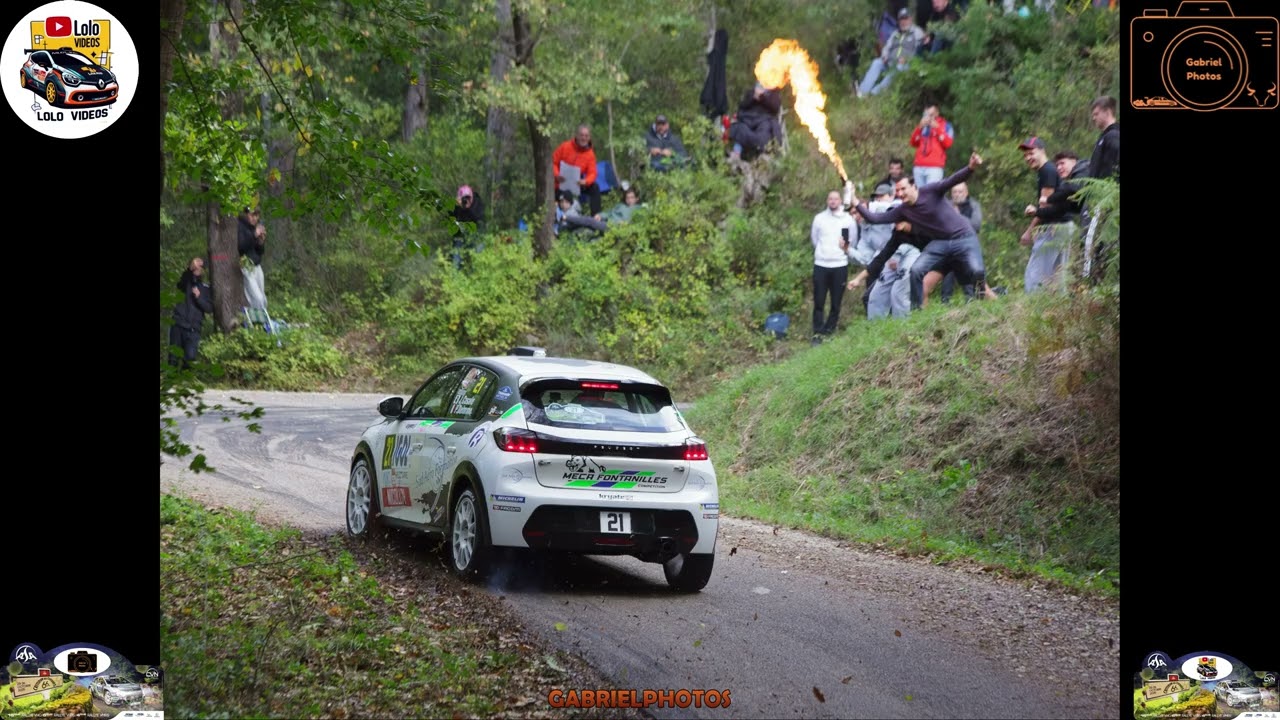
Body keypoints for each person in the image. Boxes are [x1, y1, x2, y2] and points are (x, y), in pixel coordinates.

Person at [851, 151, 988, 310]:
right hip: (942, 244)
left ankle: (983, 304)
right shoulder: (902, 211)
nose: (900, 194)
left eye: (903, 189)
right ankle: (918, 311)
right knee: (916, 270)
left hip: (964, 237)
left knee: (977, 272)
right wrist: (854, 200)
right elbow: (875, 218)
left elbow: (953, 180)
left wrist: (970, 167)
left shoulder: (930, 191)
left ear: (914, 186)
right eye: (898, 191)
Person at [1017, 136, 1071, 292]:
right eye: (1025, 155)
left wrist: (1029, 232)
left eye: (1031, 153)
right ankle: (1058, 307)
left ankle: (1031, 306)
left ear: (1042, 151)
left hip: (1054, 228)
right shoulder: (1047, 171)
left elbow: (1045, 205)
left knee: (1034, 276)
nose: (1028, 158)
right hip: (1063, 226)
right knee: (1057, 279)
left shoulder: (1047, 170)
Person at [810, 189, 857, 345]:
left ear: (840, 201)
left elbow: (852, 241)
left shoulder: (848, 219)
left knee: (836, 302)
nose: (833, 201)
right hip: (821, 264)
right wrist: (822, 252)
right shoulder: (819, 219)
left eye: (836, 199)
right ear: (827, 201)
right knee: (819, 301)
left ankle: (829, 331)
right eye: (830, 199)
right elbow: (815, 239)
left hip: (839, 265)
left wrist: (842, 252)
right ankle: (817, 333)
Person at [857, 8, 926, 97]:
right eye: (901, 19)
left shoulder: (917, 32)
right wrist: (884, 56)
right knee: (877, 62)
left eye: (905, 18)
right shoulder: (895, 33)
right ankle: (862, 92)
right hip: (890, 61)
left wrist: (908, 59)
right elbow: (887, 47)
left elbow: (919, 51)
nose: (903, 21)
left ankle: (874, 94)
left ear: (910, 19)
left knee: (897, 68)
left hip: (905, 64)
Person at [168, 257, 213, 370]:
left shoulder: (207, 289)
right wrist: (190, 268)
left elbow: (209, 308)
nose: (198, 269)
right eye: (196, 268)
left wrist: (198, 297)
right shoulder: (186, 282)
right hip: (178, 324)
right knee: (173, 358)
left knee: (190, 358)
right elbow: (182, 281)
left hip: (194, 328)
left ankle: (184, 378)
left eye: (200, 268)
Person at [552, 124, 603, 218]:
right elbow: (553, 162)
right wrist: (556, 175)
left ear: (589, 137)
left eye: (586, 136)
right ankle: (554, 217)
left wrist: (586, 181)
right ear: (576, 135)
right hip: (561, 182)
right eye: (581, 135)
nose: (584, 138)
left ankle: (596, 216)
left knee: (595, 187)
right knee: (550, 190)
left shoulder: (590, 154)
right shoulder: (565, 146)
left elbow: (592, 173)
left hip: (577, 184)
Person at [728, 82, 784, 161]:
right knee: (741, 127)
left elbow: (775, 108)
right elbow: (743, 105)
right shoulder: (754, 89)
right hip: (748, 117)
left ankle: (763, 157)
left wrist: (762, 97)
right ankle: (736, 153)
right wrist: (753, 96)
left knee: (765, 130)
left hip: (764, 119)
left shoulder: (774, 92)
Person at [909, 105, 953, 186]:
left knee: (931, 192)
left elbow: (948, 144)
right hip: (919, 166)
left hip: (935, 167)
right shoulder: (922, 126)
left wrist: (937, 128)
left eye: (931, 114)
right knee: (920, 193)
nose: (928, 117)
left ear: (937, 113)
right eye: (926, 114)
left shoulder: (946, 125)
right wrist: (919, 128)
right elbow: (913, 143)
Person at [237, 206, 267, 310]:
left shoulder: (254, 227)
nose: (255, 218)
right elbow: (240, 246)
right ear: (246, 214)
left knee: (262, 297)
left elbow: (260, 252)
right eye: (252, 215)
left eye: (257, 216)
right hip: (246, 266)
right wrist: (254, 235)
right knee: (257, 298)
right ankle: (256, 317)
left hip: (257, 266)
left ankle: (262, 316)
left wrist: (261, 242)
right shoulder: (239, 226)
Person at [450, 184, 485, 269]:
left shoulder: (477, 202)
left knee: (478, 254)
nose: (466, 200)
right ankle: (456, 273)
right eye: (464, 198)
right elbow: (451, 219)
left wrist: (469, 208)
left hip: (476, 233)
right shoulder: (456, 205)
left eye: (468, 198)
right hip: (460, 233)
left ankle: (477, 272)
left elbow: (478, 218)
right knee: (456, 256)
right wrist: (458, 207)